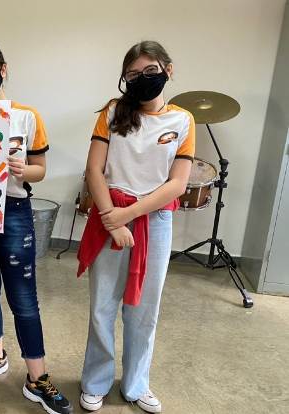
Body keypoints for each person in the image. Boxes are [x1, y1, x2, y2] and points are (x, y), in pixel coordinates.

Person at [77, 41, 195, 413]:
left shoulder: (183, 120)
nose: (142, 79)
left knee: (144, 309)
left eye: (150, 71)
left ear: (168, 70)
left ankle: (136, 383)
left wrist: (126, 216)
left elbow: (177, 184)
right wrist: (112, 219)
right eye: (133, 74)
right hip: (109, 214)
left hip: (153, 220)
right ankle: (95, 381)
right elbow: (94, 169)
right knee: (102, 305)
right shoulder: (113, 112)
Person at [0, 41, 73, 414]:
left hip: (14, 210)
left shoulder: (27, 116)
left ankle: (37, 377)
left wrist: (26, 170)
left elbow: (40, 169)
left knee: (23, 296)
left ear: (3, 69)